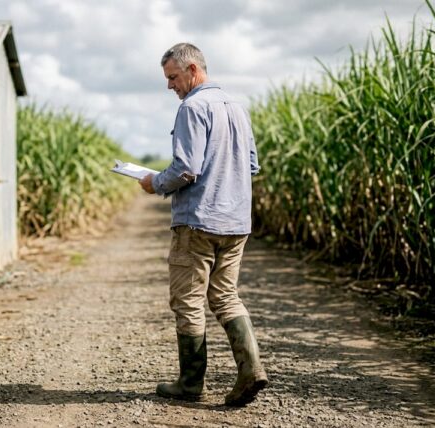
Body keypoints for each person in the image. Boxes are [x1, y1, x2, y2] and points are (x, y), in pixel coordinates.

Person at [139, 42, 267, 407]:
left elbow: (185, 169)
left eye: (173, 77)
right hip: (236, 222)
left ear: (193, 70)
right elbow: (253, 165)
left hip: (197, 222)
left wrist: (154, 183)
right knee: (226, 296)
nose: (170, 86)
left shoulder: (192, 108)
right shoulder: (237, 107)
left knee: (188, 301)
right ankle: (251, 370)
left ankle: (190, 384)